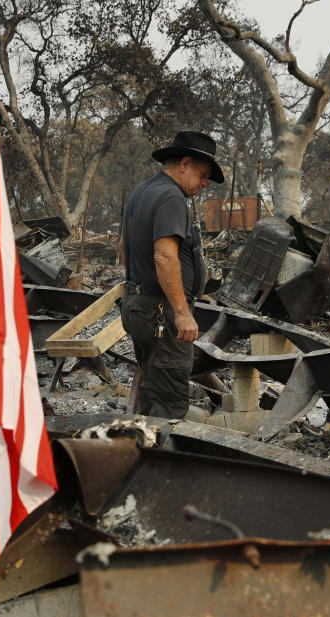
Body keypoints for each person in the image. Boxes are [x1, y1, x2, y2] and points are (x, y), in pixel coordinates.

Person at [120, 131, 225, 419]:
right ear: (185, 163)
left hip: (139, 305)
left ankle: (145, 451)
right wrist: (181, 311)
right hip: (162, 314)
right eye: (202, 175)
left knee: (153, 389)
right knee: (170, 402)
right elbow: (164, 255)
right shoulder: (171, 197)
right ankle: (162, 457)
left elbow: (124, 246)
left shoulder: (141, 191)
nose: (204, 184)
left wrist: (137, 286)